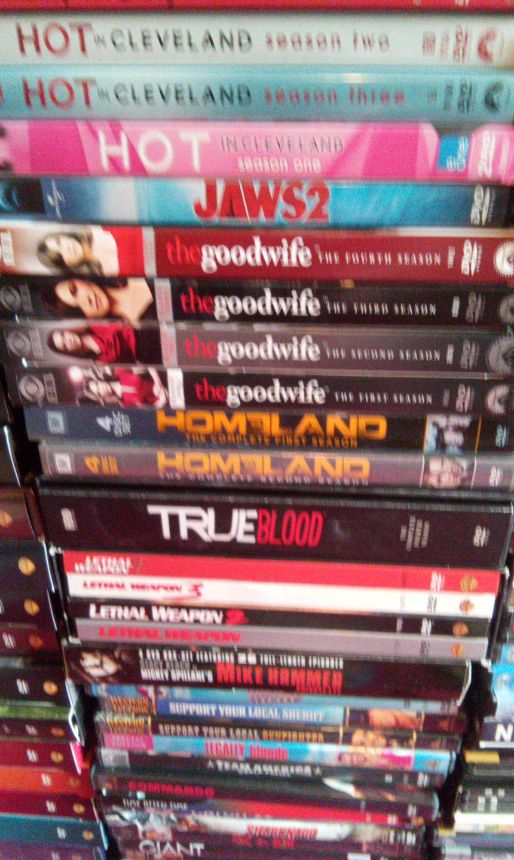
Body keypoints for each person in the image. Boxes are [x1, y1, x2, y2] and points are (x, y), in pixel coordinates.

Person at [42, 277, 155, 323]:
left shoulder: (134, 265)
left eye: (74, 290)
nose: (86, 300)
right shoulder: (142, 331)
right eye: (77, 309)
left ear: (80, 278)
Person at [47, 323, 162, 364]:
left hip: (143, 332)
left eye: (63, 335)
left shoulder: (93, 325)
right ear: (69, 352)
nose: (68, 340)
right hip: (145, 356)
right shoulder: (98, 360)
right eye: (64, 345)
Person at [37, 226, 121, 275]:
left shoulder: (99, 226)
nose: (66, 248)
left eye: (59, 242)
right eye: (60, 255)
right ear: (66, 266)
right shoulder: (106, 276)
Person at [78, 367, 168, 409]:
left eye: (97, 384)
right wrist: (162, 401)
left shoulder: (120, 371)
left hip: (167, 376)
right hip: (170, 398)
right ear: (100, 396)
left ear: (99, 380)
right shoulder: (124, 404)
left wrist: (157, 381)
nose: (101, 388)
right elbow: (152, 409)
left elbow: (148, 366)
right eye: (98, 392)